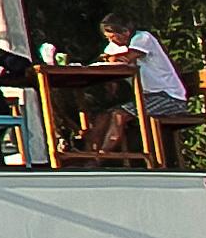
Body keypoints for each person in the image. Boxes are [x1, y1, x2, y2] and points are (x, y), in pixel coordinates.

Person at [78, 10, 193, 161]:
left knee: (120, 115)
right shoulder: (115, 46)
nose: (112, 42)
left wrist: (111, 59)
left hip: (169, 97)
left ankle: (100, 158)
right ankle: (88, 154)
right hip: (147, 97)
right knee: (103, 115)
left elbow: (127, 58)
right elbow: (107, 59)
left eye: (114, 37)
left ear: (125, 32)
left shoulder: (142, 38)